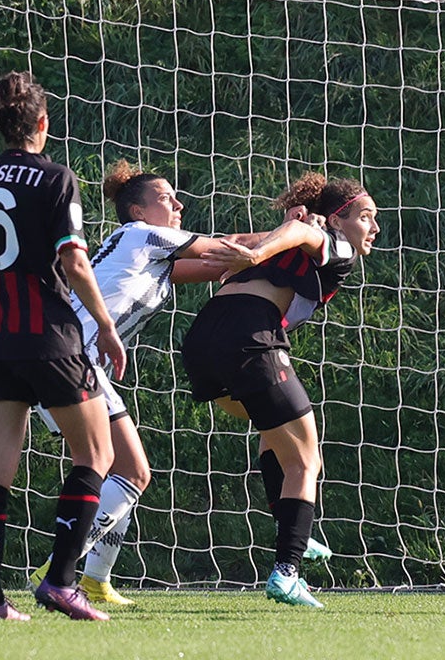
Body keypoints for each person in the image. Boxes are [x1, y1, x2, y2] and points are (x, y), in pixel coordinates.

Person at [26, 161, 330, 605]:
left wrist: (278, 245)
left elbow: (216, 264)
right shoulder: (141, 235)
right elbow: (233, 246)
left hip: (64, 361)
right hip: (73, 360)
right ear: (138, 211)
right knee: (134, 471)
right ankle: (61, 566)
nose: (178, 204)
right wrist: (289, 228)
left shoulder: (148, 252)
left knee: (118, 472)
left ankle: (93, 579)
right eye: (166, 198)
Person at [0, 71, 126, 621]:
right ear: (43, 123)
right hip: (46, 338)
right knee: (97, 455)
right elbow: (74, 260)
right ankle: (60, 581)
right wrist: (105, 323)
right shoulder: (57, 179)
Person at [184, 172, 380, 609]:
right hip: (248, 335)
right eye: (366, 217)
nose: (374, 228)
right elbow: (296, 231)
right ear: (338, 218)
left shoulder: (289, 236)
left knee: (275, 435)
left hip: (202, 340)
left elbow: (225, 242)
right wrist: (258, 257)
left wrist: (164, 266)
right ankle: (287, 571)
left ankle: (296, 531)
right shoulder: (335, 242)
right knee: (307, 458)